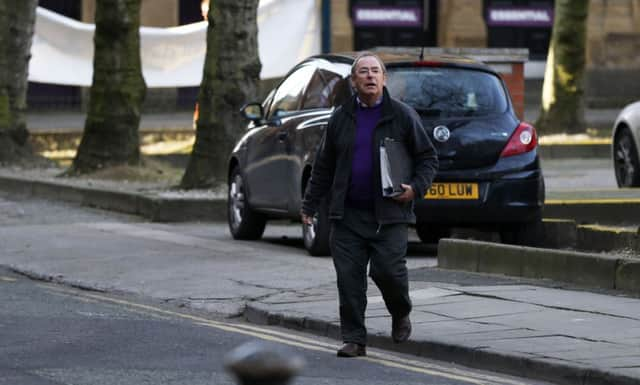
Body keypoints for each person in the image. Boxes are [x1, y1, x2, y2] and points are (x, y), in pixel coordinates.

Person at [301, 52, 439, 357]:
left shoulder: (402, 115)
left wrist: (415, 188)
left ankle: (400, 311)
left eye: (375, 71)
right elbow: (323, 166)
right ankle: (354, 338)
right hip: (347, 214)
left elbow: (428, 158)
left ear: (384, 78)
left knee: (388, 272)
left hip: (389, 214)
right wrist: (309, 205)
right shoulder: (340, 117)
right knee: (349, 278)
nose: (369, 76)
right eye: (362, 72)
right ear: (353, 81)